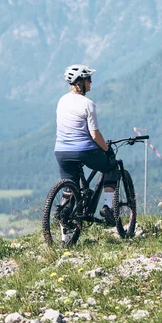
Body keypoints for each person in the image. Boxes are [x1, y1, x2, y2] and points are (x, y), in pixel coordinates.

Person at [54, 64, 118, 242]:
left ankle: (65, 237)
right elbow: (95, 134)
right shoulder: (88, 104)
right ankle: (107, 208)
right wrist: (107, 149)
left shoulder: (61, 100)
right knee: (111, 166)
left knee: (69, 188)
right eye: (88, 78)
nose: (91, 82)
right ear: (80, 82)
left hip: (61, 151)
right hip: (84, 150)